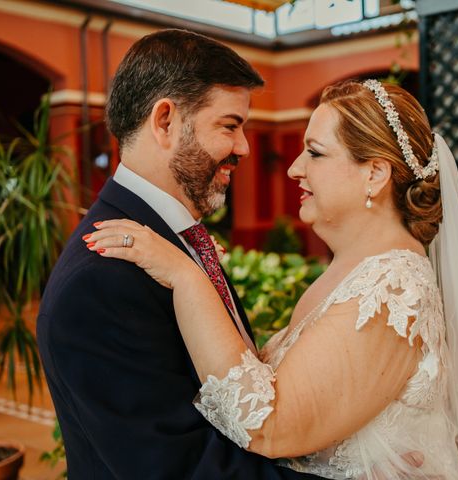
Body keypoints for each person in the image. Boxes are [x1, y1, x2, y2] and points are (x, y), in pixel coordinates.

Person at [84, 80, 458, 479]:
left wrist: (186, 277)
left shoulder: (393, 289)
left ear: (374, 173)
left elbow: (269, 425)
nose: (295, 169)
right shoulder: (353, 270)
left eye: (315, 153)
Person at [37, 29, 323, 479]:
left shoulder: (173, 240)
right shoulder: (101, 280)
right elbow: (182, 468)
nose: (245, 147)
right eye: (230, 125)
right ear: (165, 121)